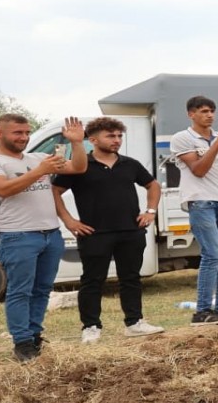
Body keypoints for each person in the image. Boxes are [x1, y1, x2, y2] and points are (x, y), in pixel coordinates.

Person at [0, 114, 88, 362]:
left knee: (42, 289)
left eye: (26, 132)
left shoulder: (37, 158)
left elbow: (79, 167)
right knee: (20, 291)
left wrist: (77, 143)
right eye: (17, 133)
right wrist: (40, 172)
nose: (24, 137)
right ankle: (22, 342)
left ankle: (35, 335)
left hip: (50, 234)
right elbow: (4, 189)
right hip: (18, 235)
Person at [52, 117, 165, 344]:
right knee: (92, 280)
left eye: (119, 136)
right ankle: (91, 327)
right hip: (94, 233)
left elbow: (153, 184)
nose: (116, 140)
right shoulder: (79, 165)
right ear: (93, 139)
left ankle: (134, 323)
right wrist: (69, 220)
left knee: (131, 278)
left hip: (130, 231)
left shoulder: (129, 164)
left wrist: (150, 211)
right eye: (110, 136)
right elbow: (54, 191)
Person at [170, 96, 218, 326]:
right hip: (201, 201)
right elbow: (198, 170)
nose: (210, 115)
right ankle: (202, 311)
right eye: (204, 111)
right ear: (191, 114)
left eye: (212, 111)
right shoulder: (182, 138)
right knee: (212, 255)